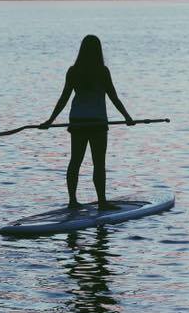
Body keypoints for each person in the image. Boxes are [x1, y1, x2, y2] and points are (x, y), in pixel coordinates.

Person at [39, 35, 135, 209]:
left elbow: (64, 99)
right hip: (97, 122)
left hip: (77, 122)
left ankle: (72, 201)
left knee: (75, 161)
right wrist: (127, 117)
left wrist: (50, 120)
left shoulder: (73, 71)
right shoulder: (102, 71)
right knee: (99, 163)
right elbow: (113, 97)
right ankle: (102, 202)